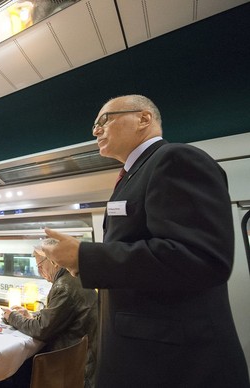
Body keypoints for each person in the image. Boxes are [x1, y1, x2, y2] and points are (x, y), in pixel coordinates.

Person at [44, 95, 250, 387]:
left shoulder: (175, 159)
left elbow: (200, 257)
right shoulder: (131, 177)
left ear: (143, 119)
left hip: (174, 365)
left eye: (104, 120)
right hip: (140, 356)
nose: (96, 131)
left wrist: (84, 257)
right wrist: (81, 262)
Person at [0, 239, 97, 388]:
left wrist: (12, 316)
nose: (39, 272)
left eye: (40, 266)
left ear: (54, 262)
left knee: (14, 373)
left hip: (69, 363)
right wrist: (33, 316)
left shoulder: (64, 286)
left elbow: (41, 329)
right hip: (82, 356)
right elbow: (58, 315)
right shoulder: (75, 278)